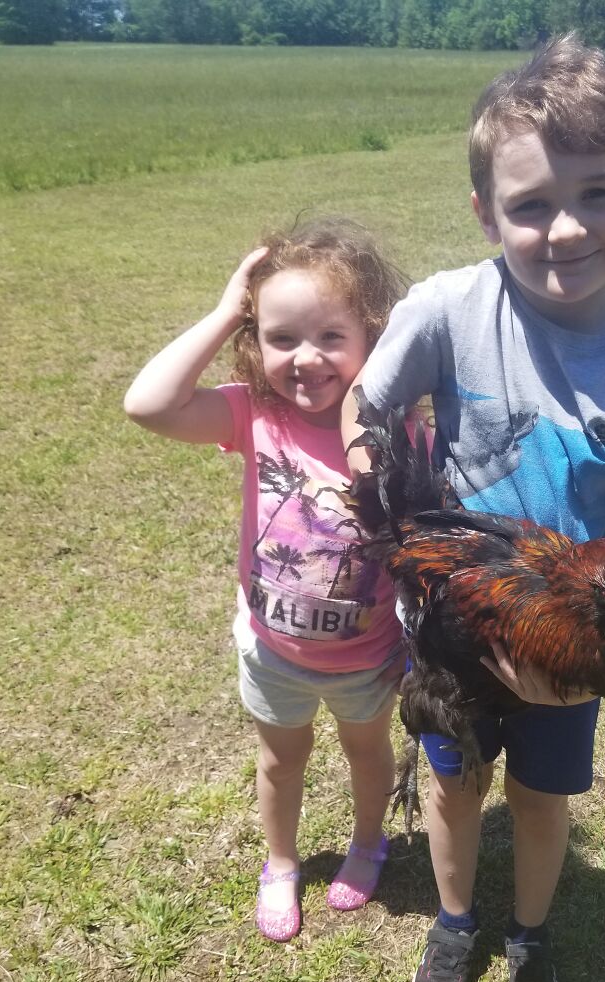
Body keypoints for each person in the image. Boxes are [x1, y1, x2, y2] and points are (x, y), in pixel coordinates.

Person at [342, 36, 605, 982]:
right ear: (483, 211)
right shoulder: (444, 309)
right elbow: (364, 412)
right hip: (451, 633)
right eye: (530, 203)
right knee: (456, 785)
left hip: (561, 642)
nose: (564, 227)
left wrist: (580, 667)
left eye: (596, 194)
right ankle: (456, 926)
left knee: (544, 800)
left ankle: (530, 938)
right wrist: (376, 493)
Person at [126, 218, 407, 942]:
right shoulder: (254, 415)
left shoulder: (397, 431)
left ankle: (368, 842)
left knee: (366, 752)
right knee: (281, 761)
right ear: (256, 342)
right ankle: (280, 860)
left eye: (329, 338)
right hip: (273, 648)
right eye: (281, 338)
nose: (305, 358)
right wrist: (227, 311)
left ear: (371, 336)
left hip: (366, 654)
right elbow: (147, 404)